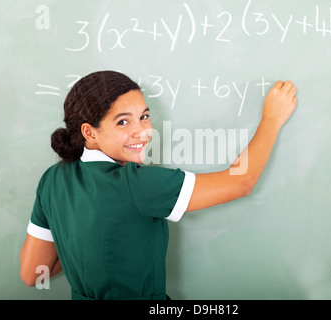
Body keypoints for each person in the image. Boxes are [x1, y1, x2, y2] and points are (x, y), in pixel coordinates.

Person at [20, 70, 297, 300]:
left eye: (143, 116)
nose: (141, 131)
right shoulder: (137, 184)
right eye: (122, 122)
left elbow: (32, 272)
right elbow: (240, 182)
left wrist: (79, 249)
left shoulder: (52, 180)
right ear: (89, 133)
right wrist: (271, 120)